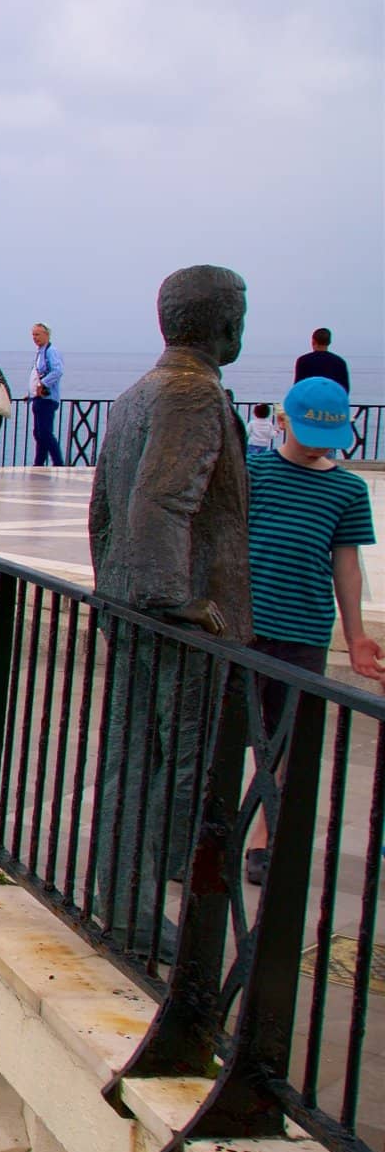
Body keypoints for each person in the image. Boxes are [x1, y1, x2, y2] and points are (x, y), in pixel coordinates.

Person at [87, 265, 253, 955]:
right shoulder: (193, 395)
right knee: (181, 764)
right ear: (220, 321)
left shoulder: (134, 394)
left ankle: (119, 899)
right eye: (239, 311)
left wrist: (116, 590)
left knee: (131, 759)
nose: (243, 323)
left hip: (130, 607)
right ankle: (135, 906)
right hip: (175, 622)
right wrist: (176, 599)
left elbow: (103, 513)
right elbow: (160, 500)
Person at [240, 374, 384, 885]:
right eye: (308, 431)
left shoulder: (346, 490)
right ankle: (208, 835)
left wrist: (356, 634)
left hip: (304, 632)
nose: (320, 443)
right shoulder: (252, 473)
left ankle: (262, 838)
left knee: (282, 743)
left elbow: (347, 566)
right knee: (221, 734)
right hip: (243, 628)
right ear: (283, 423)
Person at [29, 323, 64, 466]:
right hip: (38, 398)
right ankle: (39, 463)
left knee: (45, 433)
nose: (35, 338)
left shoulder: (51, 351)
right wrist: (31, 393)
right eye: (33, 335)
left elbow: (57, 371)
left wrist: (43, 384)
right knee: (39, 433)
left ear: (46, 335)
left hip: (47, 398)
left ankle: (58, 463)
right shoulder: (41, 352)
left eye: (37, 334)